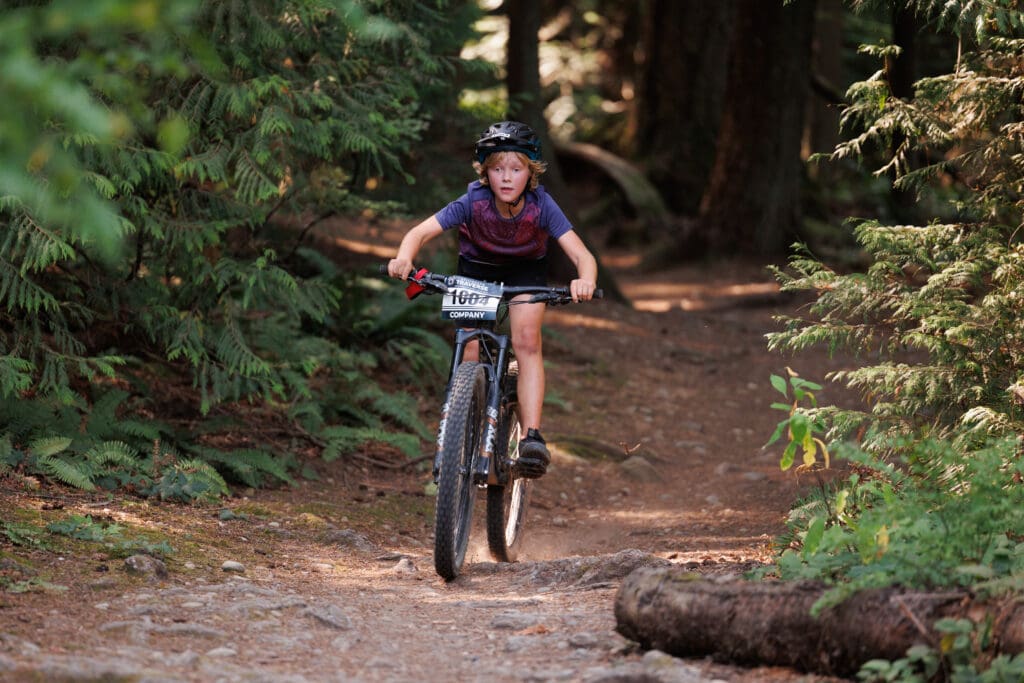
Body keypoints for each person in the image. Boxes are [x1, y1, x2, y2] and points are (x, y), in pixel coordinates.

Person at [387, 120, 598, 479]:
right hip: (476, 270)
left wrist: (586, 280)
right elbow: (419, 232)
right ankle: (463, 422)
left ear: (530, 173)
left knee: (527, 340)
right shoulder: (473, 201)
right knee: (468, 342)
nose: (505, 177)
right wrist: (405, 258)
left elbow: (582, 256)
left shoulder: (542, 205)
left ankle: (532, 437)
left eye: (515, 169)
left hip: (525, 272)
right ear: (485, 172)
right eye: (497, 168)